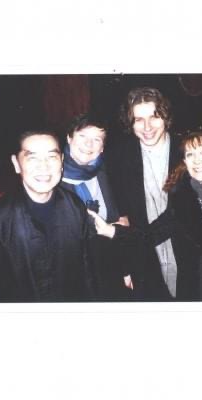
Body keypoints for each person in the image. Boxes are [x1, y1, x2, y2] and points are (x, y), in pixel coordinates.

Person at [93, 129, 202, 300]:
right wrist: (113, 231)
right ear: (185, 162)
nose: (197, 160)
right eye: (190, 154)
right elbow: (150, 235)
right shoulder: (183, 202)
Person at [0, 130, 96, 302]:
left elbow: (86, 270)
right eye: (33, 158)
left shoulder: (75, 206)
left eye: (51, 157)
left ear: (62, 161)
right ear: (16, 163)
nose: (44, 167)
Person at [107, 87, 183, 300]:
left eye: (154, 117)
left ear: (165, 117)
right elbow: (121, 217)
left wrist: (138, 239)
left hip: (186, 255)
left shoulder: (187, 151)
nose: (147, 127)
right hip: (145, 261)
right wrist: (126, 265)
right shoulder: (118, 157)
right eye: (139, 119)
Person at [59, 114, 129, 300]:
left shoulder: (106, 172)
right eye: (82, 136)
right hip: (74, 276)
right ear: (69, 138)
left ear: (102, 147)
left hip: (110, 267)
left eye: (97, 139)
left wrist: (126, 269)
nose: (88, 144)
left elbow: (120, 223)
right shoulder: (52, 179)